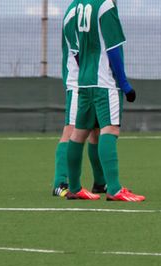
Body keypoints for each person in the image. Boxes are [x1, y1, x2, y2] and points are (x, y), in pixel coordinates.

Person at [63, 0, 144, 202]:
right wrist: (124, 84)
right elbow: (113, 48)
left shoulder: (78, 6)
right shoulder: (106, 5)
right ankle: (115, 189)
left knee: (79, 132)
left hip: (84, 81)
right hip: (104, 82)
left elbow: (76, 51)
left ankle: (74, 188)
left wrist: (86, 72)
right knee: (110, 130)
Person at [51, 0, 104, 198]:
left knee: (96, 131)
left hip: (94, 80)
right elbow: (78, 53)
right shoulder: (75, 12)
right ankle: (60, 182)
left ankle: (101, 182)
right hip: (78, 83)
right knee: (72, 129)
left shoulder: (88, 8)